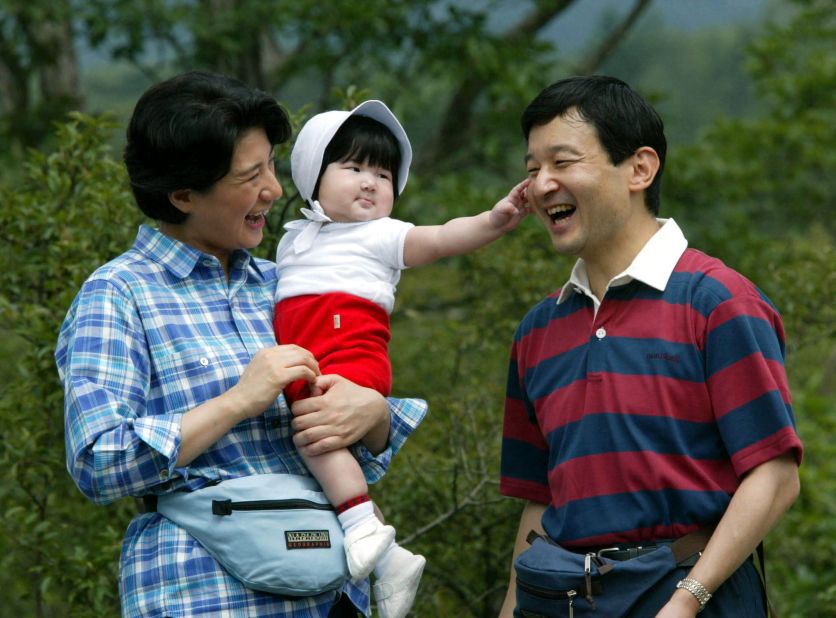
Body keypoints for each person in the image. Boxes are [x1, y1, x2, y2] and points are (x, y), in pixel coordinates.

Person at [55, 70, 428, 618]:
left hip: (328, 588)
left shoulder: (285, 284)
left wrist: (371, 413)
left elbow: (353, 449)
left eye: (272, 166)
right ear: (183, 195)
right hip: (204, 593)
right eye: (249, 176)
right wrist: (238, 401)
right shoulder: (119, 295)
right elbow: (98, 463)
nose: (274, 191)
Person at [498, 75, 803, 617]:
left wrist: (688, 602)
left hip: (694, 596)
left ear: (640, 168)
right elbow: (539, 501)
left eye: (562, 163)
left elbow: (775, 476)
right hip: (564, 599)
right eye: (532, 169)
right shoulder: (537, 330)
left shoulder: (717, 301)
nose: (541, 185)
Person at [274, 100, 530, 617]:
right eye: (352, 168)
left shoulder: (384, 235)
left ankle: (363, 525)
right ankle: (387, 560)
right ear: (312, 176)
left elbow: (439, 239)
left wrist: (492, 220)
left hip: (352, 352)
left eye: (383, 173)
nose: (370, 182)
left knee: (314, 437)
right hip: (311, 359)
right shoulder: (294, 241)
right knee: (314, 441)